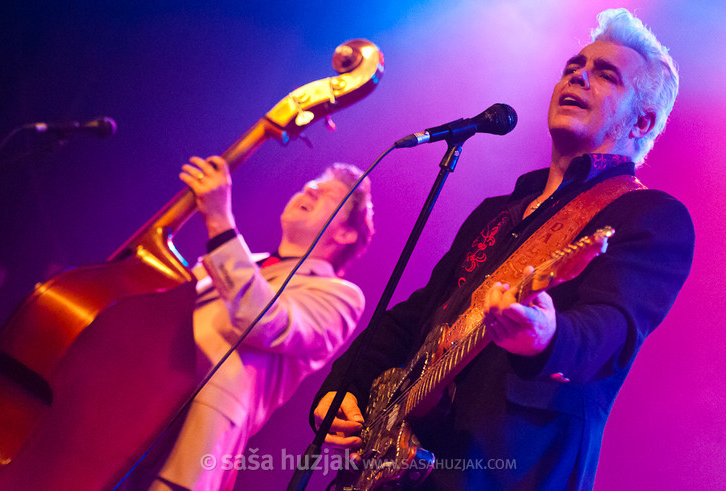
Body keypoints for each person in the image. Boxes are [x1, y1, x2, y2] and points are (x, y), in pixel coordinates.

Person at [312, 8, 694, 490]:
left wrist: (548, 337)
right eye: (573, 66)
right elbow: (417, 315)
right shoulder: (498, 210)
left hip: (505, 466)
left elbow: (613, 329)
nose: (578, 74)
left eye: (605, 74)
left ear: (641, 121)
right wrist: (345, 384)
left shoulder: (649, 216)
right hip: (398, 463)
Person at [148, 155, 375, 490]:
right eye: (310, 185)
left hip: (192, 434)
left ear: (345, 233)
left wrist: (219, 222)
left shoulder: (340, 296)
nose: (310, 188)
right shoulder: (239, 260)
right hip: (141, 396)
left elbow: (266, 323)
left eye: (326, 193)